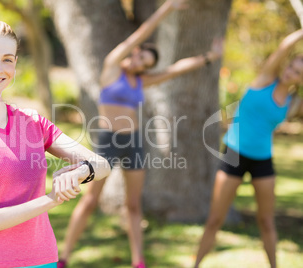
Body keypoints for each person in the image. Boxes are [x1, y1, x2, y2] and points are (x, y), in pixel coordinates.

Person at [57, 1, 224, 267]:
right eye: (140, 55)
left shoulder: (141, 80)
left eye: (145, 63)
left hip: (134, 142)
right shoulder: (112, 66)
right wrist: (167, 9)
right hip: (108, 141)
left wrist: (209, 57)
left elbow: (175, 69)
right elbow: (141, 33)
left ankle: (138, 261)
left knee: (134, 205)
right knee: (90, 200)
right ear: (134, 52)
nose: (139, 62)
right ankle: (63, 257)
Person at [0, 20, 111, 268]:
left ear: (15, 65)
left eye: (8, 59)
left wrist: (78, 173)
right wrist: (52, 198)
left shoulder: (33, 123)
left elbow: (102, 164)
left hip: (43, 260)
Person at [194, 29, 303, 268]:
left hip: (263, 158)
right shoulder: (265, 79)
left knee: (266, 221)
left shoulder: (293, 104)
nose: (289, 72)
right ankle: (195, 265)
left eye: (297, 72)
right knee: (214, 219)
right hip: (233, 152)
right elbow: (284, 46)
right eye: (291, 66)